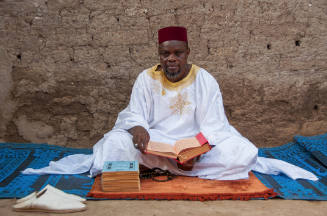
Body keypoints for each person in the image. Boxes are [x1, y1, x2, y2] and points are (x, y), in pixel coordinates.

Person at [23, 26, 317, 181]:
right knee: (114, 144)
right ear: (159, 54)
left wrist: (197, 151)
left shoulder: (205, 80)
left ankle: (157, 170)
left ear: (188, 53)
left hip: (196, 148)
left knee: (241, 152)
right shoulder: (145, 78)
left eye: (177, 53)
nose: (171, 59)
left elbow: (215, 125)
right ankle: (157, 165)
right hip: (155, 144)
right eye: (165, 54)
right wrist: (138, 128)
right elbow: (134, 113)